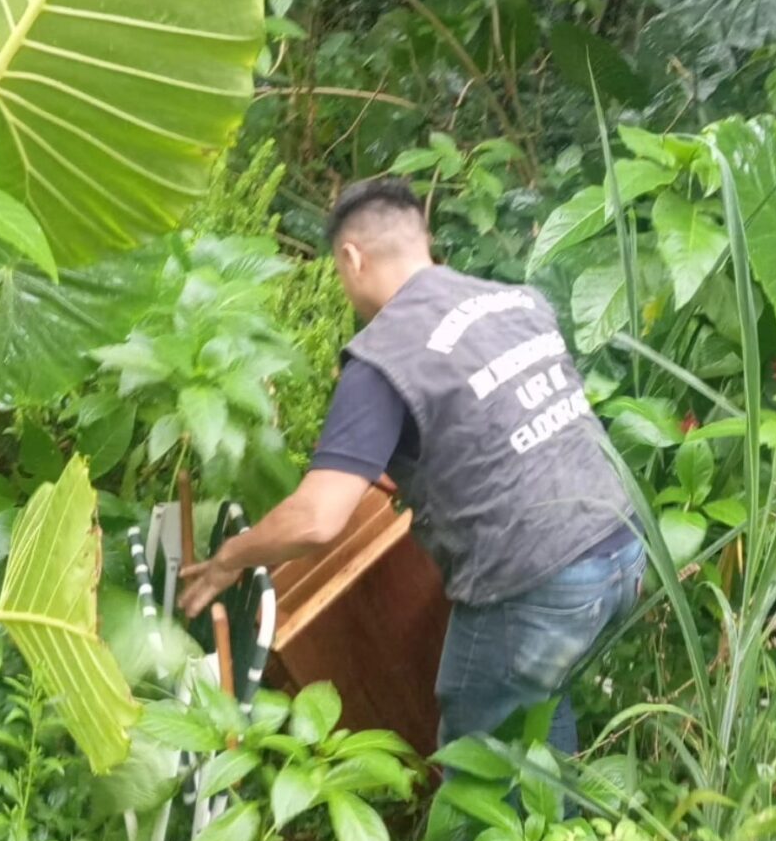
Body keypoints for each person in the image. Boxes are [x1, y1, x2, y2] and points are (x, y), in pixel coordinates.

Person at [179, 176, 645, 767]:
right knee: (536, 707)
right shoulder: (515, 303)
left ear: (351, 258)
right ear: (423, 239)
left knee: (478, 769)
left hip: (538, 583)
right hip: (622, 551)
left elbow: (319, 519)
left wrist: (231, 558)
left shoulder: (384, 356)